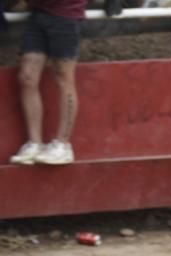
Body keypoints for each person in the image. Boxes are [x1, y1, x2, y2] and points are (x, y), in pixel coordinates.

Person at [9, 0, 120, 166]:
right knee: (27, 76)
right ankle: (34, 143)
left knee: (64, 76)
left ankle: (62, 145)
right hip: (38, 14)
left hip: (66, 15)